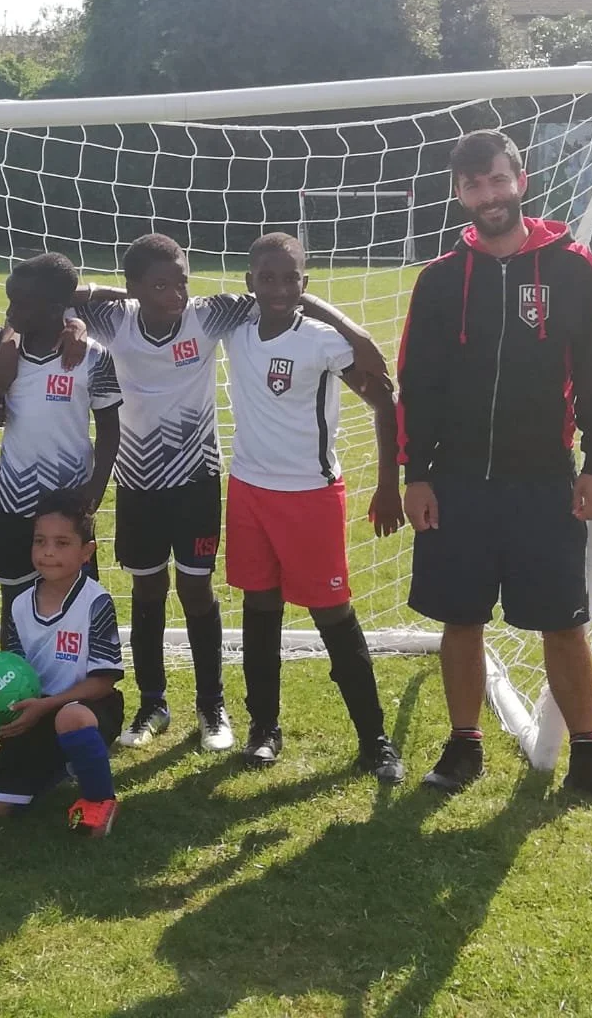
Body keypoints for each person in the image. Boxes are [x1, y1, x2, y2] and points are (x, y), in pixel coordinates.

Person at [0, 233, 390, 754]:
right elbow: (42, 305)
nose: (176, 293)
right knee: (147, 591)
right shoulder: (116, 320)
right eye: (160, 284)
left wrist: (330, 312)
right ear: (134, 289)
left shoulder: (211, 315)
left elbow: (281, 295)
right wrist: (54, 325)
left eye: (181, 279)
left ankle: (212, 707)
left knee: (197, 591)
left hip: (198, 481)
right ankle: (152, 703)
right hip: (137, 486)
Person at [397, 128, 592, 807]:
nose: (488, 195)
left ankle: (590, 755)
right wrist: (412, 472)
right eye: (473, 185)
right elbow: (415, 381)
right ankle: (462, 743)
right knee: (459, 617)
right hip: (455, 479)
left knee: (563, 621)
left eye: (496, 180)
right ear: (459, 195)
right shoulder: (440, 279)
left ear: (520, 180)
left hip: (542, 475)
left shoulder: (570, 267)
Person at [223, 233, 406, 778]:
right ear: (249, 281)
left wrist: (388, 484)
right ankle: (264, 728)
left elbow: (385, 400)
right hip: (249, 490)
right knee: (260, 611)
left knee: (333, 614)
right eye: (267, 278)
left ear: (305, 285)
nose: (278, 288)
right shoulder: (233, 326)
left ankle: (375, 740)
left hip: (310, 495)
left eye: (291, 279)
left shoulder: (323, 342)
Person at [0, 489, 126, 837]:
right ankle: (61, 765)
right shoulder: (20, 605)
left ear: (86, 552)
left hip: (89, 707)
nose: (48, 552)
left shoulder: (96, 602)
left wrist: (47, 707)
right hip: (36, 713)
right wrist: (0, 711)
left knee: (70, 717)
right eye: (40, 541)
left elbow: (104, 681)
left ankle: (99, 801)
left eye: (62, 543)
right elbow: (14, 671)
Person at [0, 254, 122, 610]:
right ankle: (13, 665)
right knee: (15, 600)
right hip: (12, 501)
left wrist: (94, 492)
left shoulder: (91, 356)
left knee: (73, 602)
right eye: (11, 301)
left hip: (68, 501)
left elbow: (109, 428)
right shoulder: (4, 351)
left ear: (57, 307)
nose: (11, 311)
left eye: (22, 304)